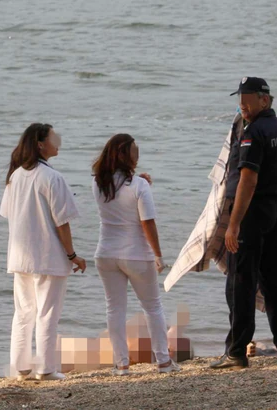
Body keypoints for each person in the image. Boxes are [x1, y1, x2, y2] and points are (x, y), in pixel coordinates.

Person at [210, 77, 277, 369]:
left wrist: (233, 225)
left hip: (253, 211)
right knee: (274, 281)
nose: (242, 105)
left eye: (248, 99)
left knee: (241, 281)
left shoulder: (253, 133)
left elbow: (248, 180)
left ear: (265, 100)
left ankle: (236, 352)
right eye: (240, 99)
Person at [0, 123, 86, 381]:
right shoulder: (52, 177)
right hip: (47, 255)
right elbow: (62, 221)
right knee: (47, 313)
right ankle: (46, 368)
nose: (57, 141)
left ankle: (21, 366)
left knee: (24, 312)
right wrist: (72, 255)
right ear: (40, 144)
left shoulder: (15, 176)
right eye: (53, 137)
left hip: (20, 255)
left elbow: (8, 214)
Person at [92, 134, 180, 375]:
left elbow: (119, 197)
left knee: (114, 308)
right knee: (152, 307)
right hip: (136, 254)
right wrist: (158, 255)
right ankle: (163, 361)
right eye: (134, 150)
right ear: (124, 154)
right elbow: (147, 222)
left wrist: (139, 180)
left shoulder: (98, 182)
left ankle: (121, 364)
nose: (138, 153)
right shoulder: (140, 186)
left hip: (106, 253)